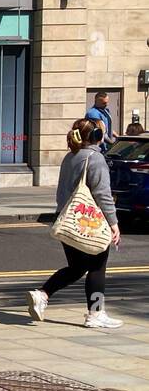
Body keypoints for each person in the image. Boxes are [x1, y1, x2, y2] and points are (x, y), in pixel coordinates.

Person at [27, 119, 122, 330]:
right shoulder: (95, 159)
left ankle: (42, 294)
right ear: (97, 136)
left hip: (67, 220)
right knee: (98, 266)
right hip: (88, 222)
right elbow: (103, 195)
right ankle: (96, 314)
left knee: (77, 267)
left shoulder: (70, 157)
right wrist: (113, 223)